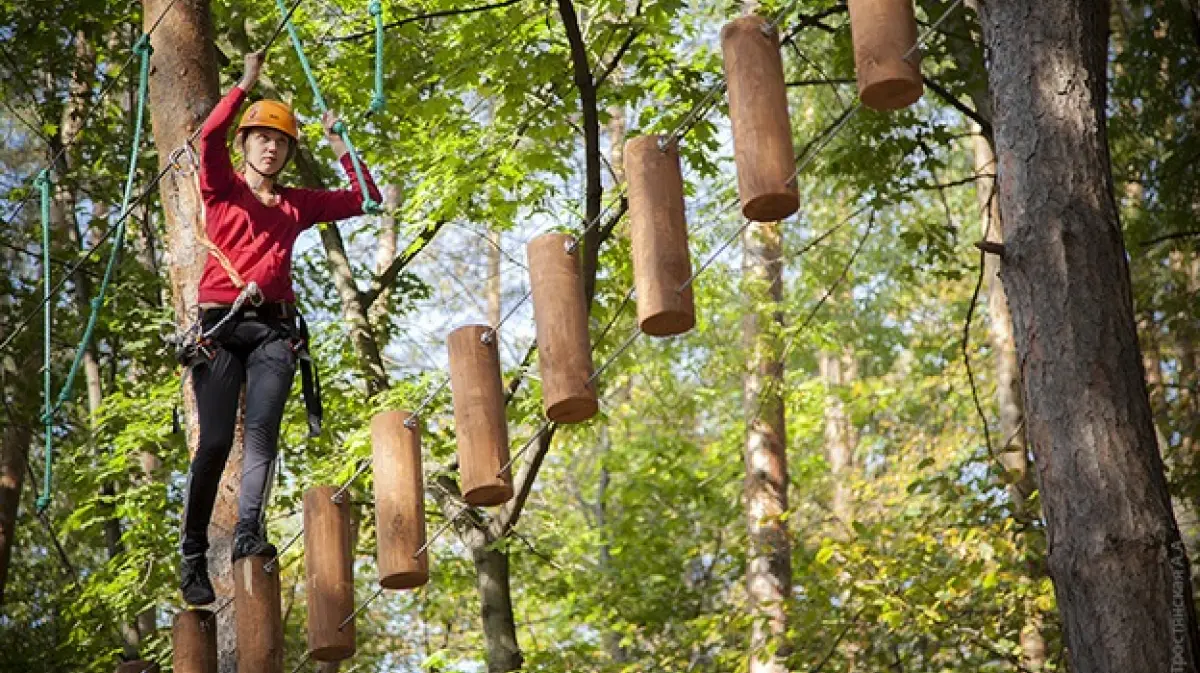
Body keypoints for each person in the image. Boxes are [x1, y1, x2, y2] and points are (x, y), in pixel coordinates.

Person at [179, 50, 382, 606]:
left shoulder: (296, 205)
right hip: (220, 329)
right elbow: (208, 137)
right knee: (216, 441)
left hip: (273, 333)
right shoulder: (222, 190)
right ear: (246, 145)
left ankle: (249, 532)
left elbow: (367, 198)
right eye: (262, 138)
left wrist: (340, 142)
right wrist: (243, 85)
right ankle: (193, 552)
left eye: (282, 141)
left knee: (264, 433)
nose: (271, 147)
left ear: (289, 153)